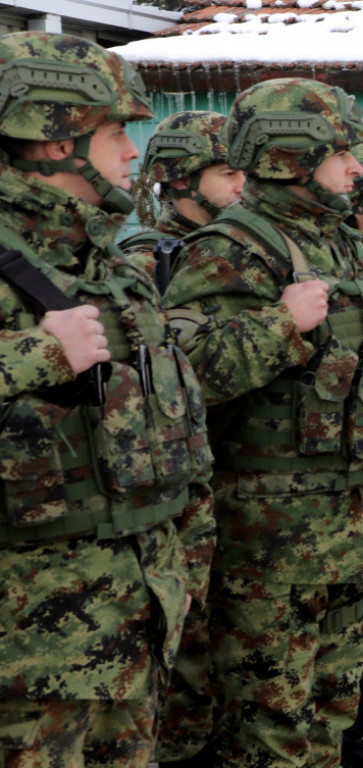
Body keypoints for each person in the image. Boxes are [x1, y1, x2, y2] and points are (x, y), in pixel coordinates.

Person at [164, 77, 363, 768]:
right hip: (273, 545)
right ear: (290, 155)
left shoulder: (342, 246)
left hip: (351, 523)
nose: (359, 168)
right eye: (343, 152)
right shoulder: (231, 247)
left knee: (328, 718)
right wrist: (283, 325)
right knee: (268, 729)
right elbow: (183, 376)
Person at [0, 31, 213, 767]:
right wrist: (35, 354)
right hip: (27, 651)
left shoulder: (111, 265)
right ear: (55, 138)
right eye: (117, 130)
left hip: (132, 615)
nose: (132, 152)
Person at [120, 110, 244, 290]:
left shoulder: (244, 246)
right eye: (229, 174)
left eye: (246, 174)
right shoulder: (147, 267)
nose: (243, 187)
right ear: (182, 179)